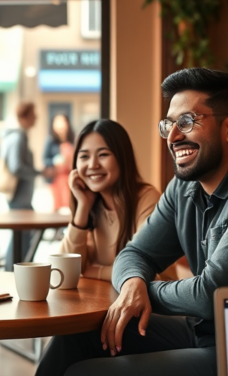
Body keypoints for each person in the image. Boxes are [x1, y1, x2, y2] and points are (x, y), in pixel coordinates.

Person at [7, 68, 228, 376]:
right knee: (76, 338)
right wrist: (134, 282)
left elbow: (210, 294)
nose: (174, 136)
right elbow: (133, 255)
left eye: (187, 121)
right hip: (197, 331)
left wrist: (142, 292)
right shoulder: (184, 188)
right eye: (168, 125)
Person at [61, 119, 161, 282]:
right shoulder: (92, 205)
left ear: (122, 158)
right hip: (105, 300)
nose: (92, 165)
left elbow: (146, 273)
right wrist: (83, 207)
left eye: (103, 155)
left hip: (154, 303)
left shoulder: (147, 199)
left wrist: (92, 271)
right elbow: (66, 269)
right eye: (84, 156)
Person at [1, 101, 39, 270]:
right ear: (26, 116)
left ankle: (16, 270)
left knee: (22, 235)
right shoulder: (17, 137)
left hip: (20, 196)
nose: (36, 117)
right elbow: (16, 167)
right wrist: (38, 172)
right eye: (34, 114)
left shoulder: (15, 135)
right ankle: (13, 271)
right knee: (21, 236)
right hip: (19, 195)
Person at [43, 114, 75, 212]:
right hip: (56, 179)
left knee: (70, 206)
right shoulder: (50, 140)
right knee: (57, 206)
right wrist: (55, 160)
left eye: (63, 122)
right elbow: (45, 159)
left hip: (70, 178)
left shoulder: (73, 140)